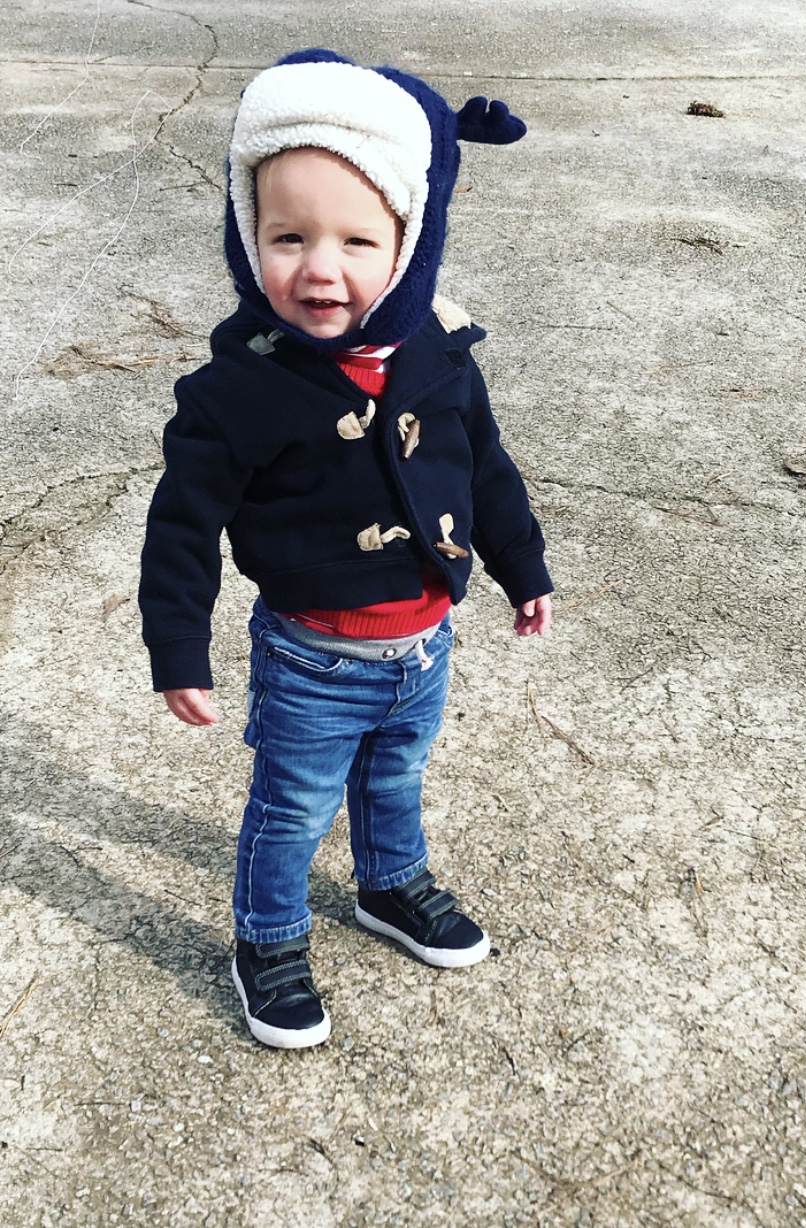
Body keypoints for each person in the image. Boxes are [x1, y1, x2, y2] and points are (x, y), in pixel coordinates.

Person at [139, 49, 552, 1049]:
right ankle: (268, 938)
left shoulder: (439, 355)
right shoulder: (238, 390)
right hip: (313, 657)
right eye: (287, 236)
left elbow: (484, 470)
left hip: (424, 643)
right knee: (291, 809)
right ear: (248, 236)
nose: (319, 267)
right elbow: (182, 523)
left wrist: (522, 565)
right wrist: (178, 650)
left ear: (410, 244)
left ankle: (388, 883)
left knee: (396, 777)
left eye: (357, 240)